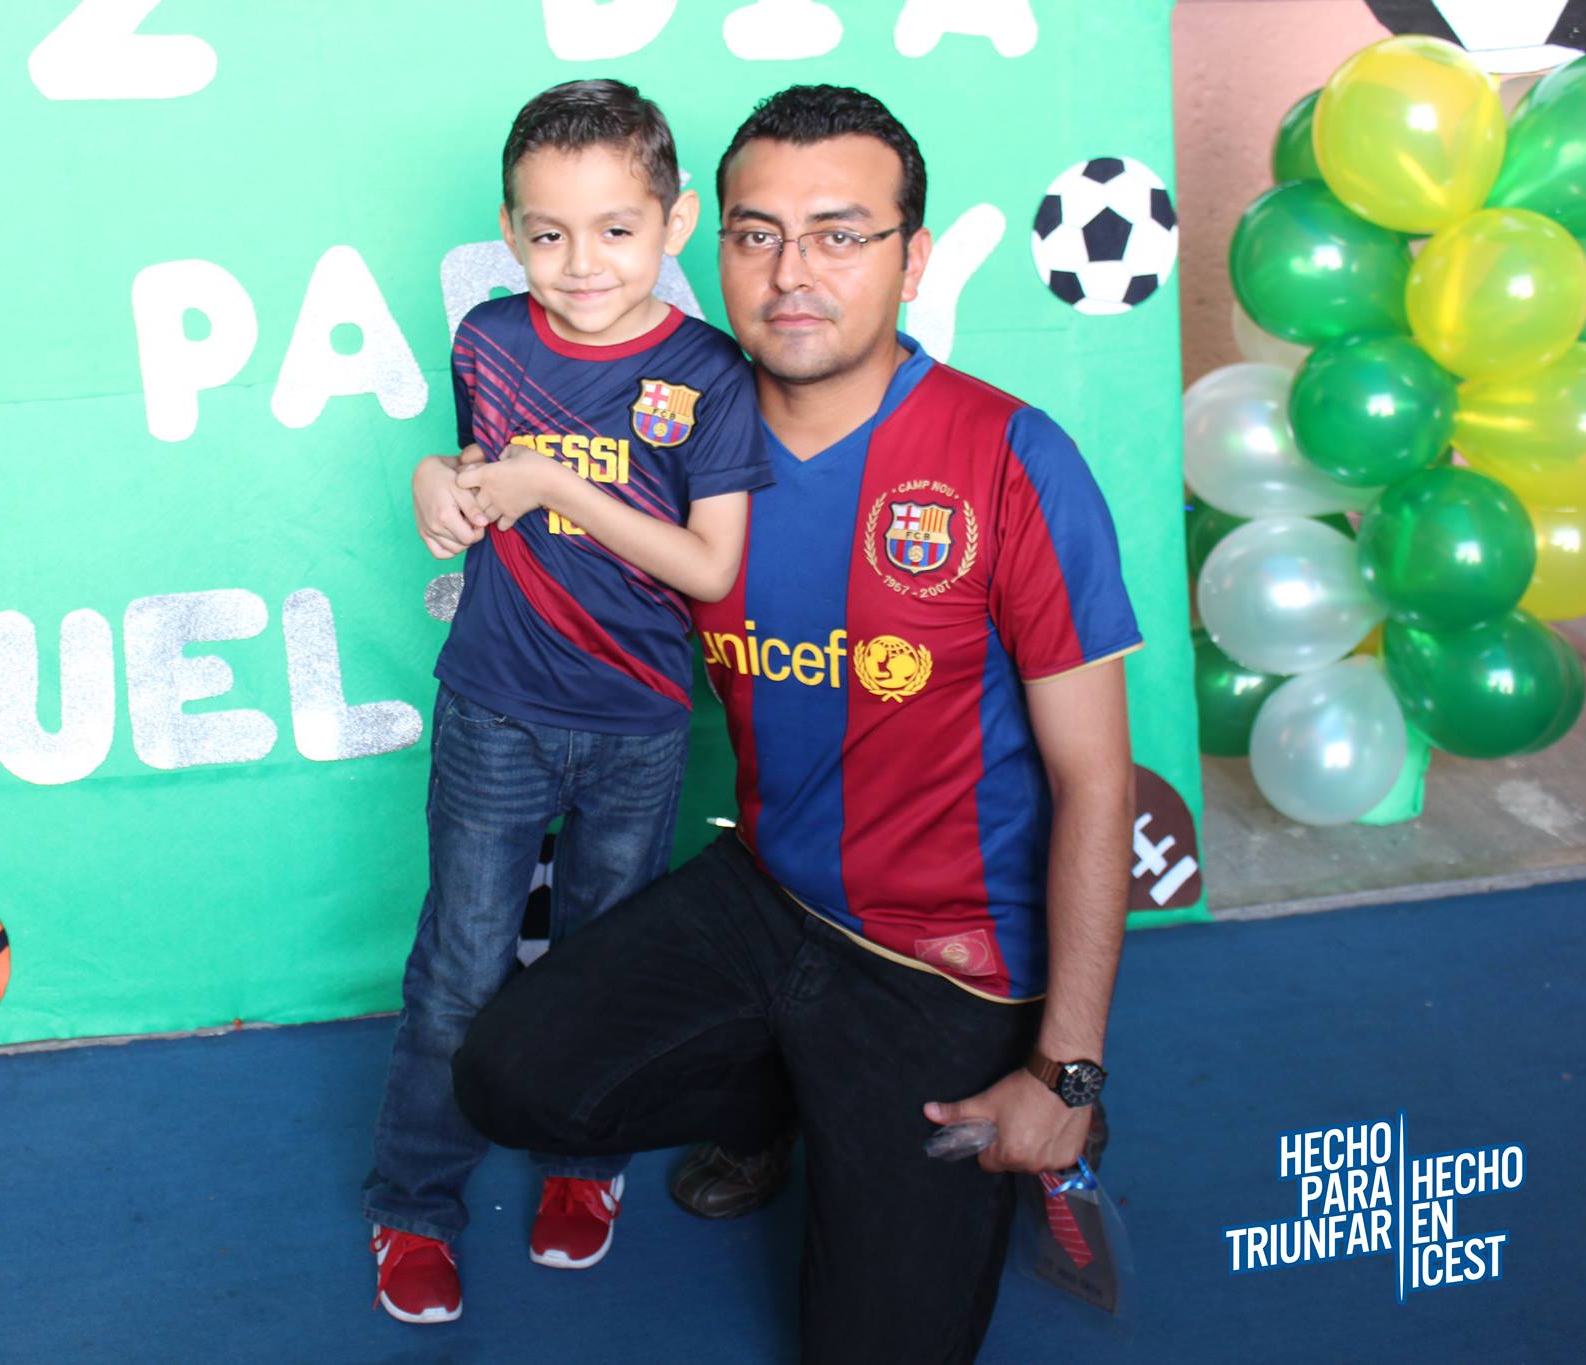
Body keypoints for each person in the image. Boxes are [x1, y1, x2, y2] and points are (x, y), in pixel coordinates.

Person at [452, 84, 1141, 1363]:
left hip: (945, 963)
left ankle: (919, 1109)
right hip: (766, 894)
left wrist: (1067, 1072)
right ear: (707, 244)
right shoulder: (669, 440)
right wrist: (444, 481)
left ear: (911, 259)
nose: (790, 273)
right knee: (509, 1076)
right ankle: (780, 1099)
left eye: (838, 234)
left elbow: (1095, 781)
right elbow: (511, 494)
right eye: (757, 234)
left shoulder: (1010, 458)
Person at [364, 78, 775, 1325]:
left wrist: (557, 485)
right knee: (459, 969)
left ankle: (582, 1165)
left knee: (603, 963)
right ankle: (413, 1202)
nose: (580, 263)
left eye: (614, 229)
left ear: (674, 221)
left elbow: (709, 567)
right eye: (547, 233)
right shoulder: (489, 339)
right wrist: (438, 478)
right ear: (509, 229)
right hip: (494, 705)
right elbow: (479, 473)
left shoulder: (707, 372)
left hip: (637, 723)